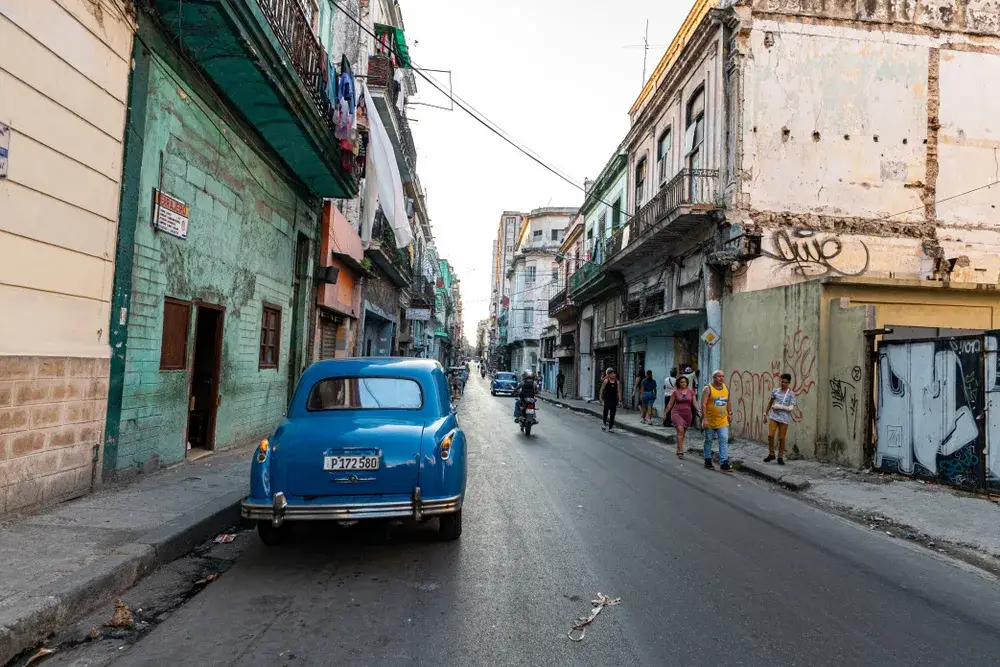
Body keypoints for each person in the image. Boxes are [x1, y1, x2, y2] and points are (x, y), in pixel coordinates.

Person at [700, 370, 733, 471]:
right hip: (710, 420)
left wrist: (730, 413)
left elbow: (728, 402)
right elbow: (703, 404)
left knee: (723, 440)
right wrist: (704, 419)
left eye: (723, 376)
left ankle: (724, 463)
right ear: (714, 377)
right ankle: (708, 460)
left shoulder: (726, 388)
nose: (721, 378)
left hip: (722, 420)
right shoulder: (708, 389)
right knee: (708, 440)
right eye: (719, 376)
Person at [763, 373, 796, 465]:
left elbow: (791, 408)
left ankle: (780, 457)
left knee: (782, 438)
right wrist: (765, 414)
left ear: (789, 383)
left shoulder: (791, 394)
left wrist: (779, 407)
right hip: (774, 417)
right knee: (770, 435)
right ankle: (771, 454)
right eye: (781, 381)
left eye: (785, 382)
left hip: (784, 419)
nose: (783, 383)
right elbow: (770, 403)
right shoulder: (775, 391)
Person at [664, 376, 697, 457]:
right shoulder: (675, 393)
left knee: (683, 432)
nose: (683, 383)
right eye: (681, 382)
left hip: (687, 414)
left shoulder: (691, 392)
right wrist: (665, 413)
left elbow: (695, 403)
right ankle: (681, 450)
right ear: (679, 383)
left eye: (684, 382)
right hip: (677, 413)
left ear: (687, 383)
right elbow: (670, 404)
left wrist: (699, 410)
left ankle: (679, 447)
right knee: (680, 431)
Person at [599, 368, 622, 432]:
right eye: (611, 374)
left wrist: (620, 400)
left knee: (613, 413)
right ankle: (604, 423)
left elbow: (618, 391)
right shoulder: (606, 381)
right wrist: (600, 397)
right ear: (609, 375)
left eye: (614, 374)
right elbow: (602, 389)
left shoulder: (617, 382)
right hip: (607, 398)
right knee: (606, 411)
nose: (613, 375)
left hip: (614, 399)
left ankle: (610, 427)